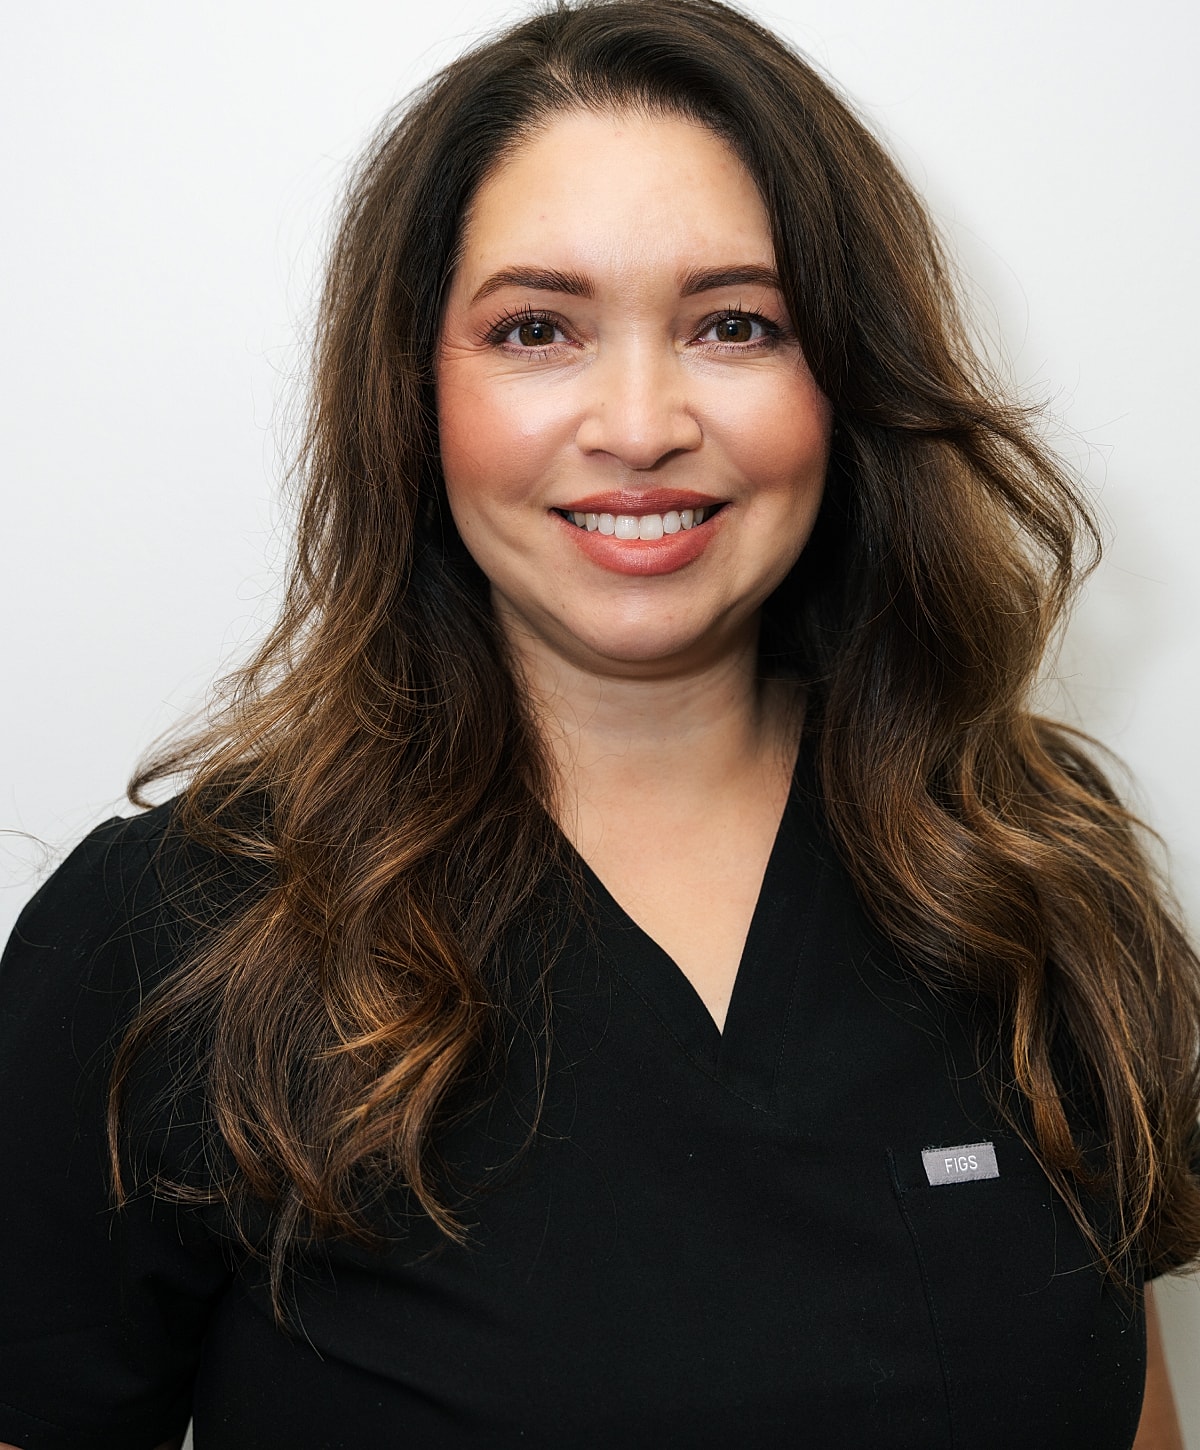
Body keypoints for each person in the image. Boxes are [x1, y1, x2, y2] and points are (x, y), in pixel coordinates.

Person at [1, 0, 1197, 1444]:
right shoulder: (170, 943)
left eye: (737, 323)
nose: (639, 420)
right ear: (414, 391)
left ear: (849, 382)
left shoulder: (1034, 872)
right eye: (537, 329)